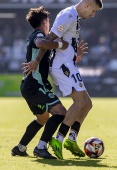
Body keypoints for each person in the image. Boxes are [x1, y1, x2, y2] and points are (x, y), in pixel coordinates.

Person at [23, 0, 103, 160]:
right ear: (87, 4)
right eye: (93, 11)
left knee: (87, 104)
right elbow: (50, 38)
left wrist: (74, 53)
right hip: (62, 66)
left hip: (68, 64)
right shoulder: (67, 15)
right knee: (80, 103)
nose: (93, 15)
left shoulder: (75, 17)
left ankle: (71, 139)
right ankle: (58, 140)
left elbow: (66, 42)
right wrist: (37, 61)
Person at [11, 6, 69, 159]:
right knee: (61, 112)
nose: (49, 25)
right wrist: (61, 44)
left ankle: (20, 147)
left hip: (29, 86)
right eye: (49, 21)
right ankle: (41, 147)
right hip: (34, 86)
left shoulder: (35, 35)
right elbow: (40, 43)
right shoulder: (38, 35)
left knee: (42, 119)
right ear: (45, 22)